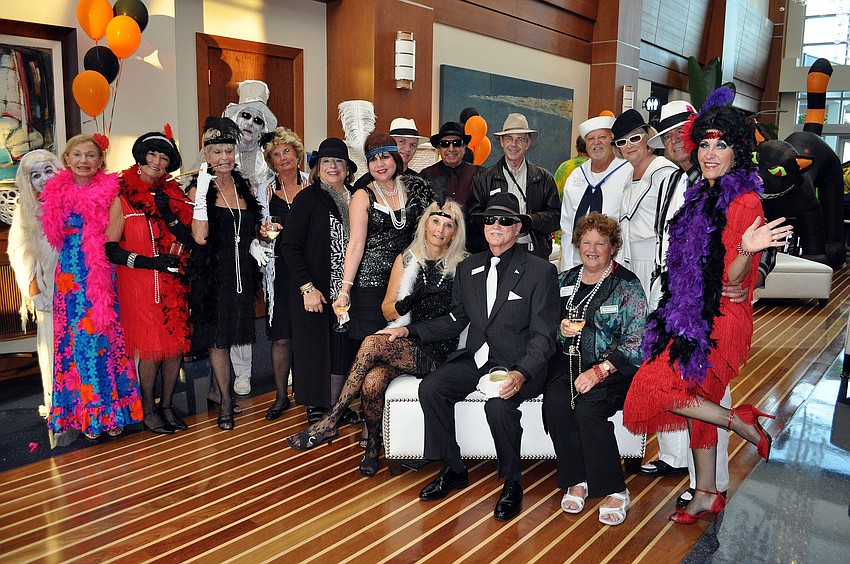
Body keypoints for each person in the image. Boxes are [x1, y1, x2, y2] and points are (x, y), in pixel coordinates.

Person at [622, 89, 793, 524]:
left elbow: (733, 278)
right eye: (705, 143)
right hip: (689, 311)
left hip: (719, 320)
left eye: (721, 144)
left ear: (738, 151)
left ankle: (739, 422)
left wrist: (745, 247)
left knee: (652, 387)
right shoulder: (701, 193)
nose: (710, 153)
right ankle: (706, 493)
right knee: (698, 404)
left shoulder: (745, 200)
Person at [380, 192, 559, 522]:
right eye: (490, 220)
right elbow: (455, 320)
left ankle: (512, 482)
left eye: (505, 220)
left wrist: (521, 373)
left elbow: (544, 336)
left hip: (519, 364)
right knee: (432, 388)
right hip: (477, 359)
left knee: (499, 406)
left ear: (517, 227)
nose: (496, 226)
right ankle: (454, 467)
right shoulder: (469, 268)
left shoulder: (540, 271)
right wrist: (408, 330)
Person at [287, 200, 468, 478]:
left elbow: (458, 321)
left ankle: (331, 419)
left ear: (455, 232)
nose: (440, 230)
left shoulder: (462, 266)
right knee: (372, 382)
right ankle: (372, 447)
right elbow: (387, 309)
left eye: (448, 225)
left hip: (438, 349)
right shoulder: (407, 259)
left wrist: (408, 329)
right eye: (435, 221)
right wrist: (411, 299)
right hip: (405, 342)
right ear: (425, 223)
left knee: (372, 343)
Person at [543, 212, 647, 526]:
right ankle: (578, 480)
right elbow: (546, 326)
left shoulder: (627, 285)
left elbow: (638, 340)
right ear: (577, 245)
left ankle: (615, 488)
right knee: (556, 403)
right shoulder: (565, 280)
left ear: (612, 247)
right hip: (569, 365)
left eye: (600, 243)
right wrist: (560, 328)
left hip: (613, 372)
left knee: (588, 408)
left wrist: (600, 371)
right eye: (586, 242)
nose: (592, 249)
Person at [38, 134, 142, 441]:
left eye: (91, 155)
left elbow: (114, 235)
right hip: (69, 277)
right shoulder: (53, 191)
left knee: (105, 341)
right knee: (75, 344)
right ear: (67, 159)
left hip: (100, 273)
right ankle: (84, 413)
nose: (84, 161)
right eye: (77, 155)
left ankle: (111, 412)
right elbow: (45, 233)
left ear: (100, 161)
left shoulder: (112, 192)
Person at [105, 127, 193, 435]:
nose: (157, 161)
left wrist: (171, 216)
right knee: (152, 348)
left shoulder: (173, 195)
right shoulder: (122, 198)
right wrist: (148, 262)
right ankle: (148, 408)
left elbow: (190, 239)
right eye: (152, 154)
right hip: (138, 285)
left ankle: (167, 405)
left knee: (174, 347)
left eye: (164, 156)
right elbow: (111, 249)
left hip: (173, 284)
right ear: (141, 157)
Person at [188, 117, 263, 431]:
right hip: (213, 276)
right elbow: (200, 236)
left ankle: (217, 390)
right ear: (206, 155)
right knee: (218, 339)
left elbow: (250, 228)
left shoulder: (244, 187)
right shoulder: (198, 188)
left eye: (228, 151)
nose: (224, 158)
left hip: (241, 274)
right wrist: (204, 190)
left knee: (233, 335)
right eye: (216, 151)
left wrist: (259, 239)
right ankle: (227, 401)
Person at [281, 138, 356, 425]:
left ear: (348, 168)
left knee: (341, 346)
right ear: (316, 168)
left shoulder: (356, 197)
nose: (333, 166)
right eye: (326, 161)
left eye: (339, 161)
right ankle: (314, 403)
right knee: (313, 346)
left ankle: (337, 403)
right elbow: (290, 246)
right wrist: (307, 288)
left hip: (346, 290)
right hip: (313, 289)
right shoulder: (308, 198)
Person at [9, 150, 73, 447]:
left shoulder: (74, 200)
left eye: (48, 171)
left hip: (80, 289)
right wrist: (34, 292)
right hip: (49, 290)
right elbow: (21, 254)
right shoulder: (26, 211)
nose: (44, 179)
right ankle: (61, 412)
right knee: (53, 350)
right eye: (36, 175)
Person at [222, 80, 278, 397]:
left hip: (268, 242)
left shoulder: (269, 161)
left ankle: (290, 365)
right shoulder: (215, 155)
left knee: (280, 300)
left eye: (258, 121)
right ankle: (241, 373)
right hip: (230, 246)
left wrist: (265, 238)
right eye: (246, 116)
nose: (250, 125)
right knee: (239, 307)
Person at [259, 127, 308, 420]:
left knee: (308, 335)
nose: (283, 158)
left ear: (297, 154)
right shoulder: (264, 192)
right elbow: (259, 232)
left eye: (286, 151)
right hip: (280, 273)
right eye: (276, 155)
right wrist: (262, 235)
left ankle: (307, 390)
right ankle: (280, 396)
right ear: (271, 162)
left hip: (310, 272)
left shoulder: (314, 186)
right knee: (281, 338)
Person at [468, 113, 560, 260]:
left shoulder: (543, 178)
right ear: (502, 142)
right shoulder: (484, 178)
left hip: (532, 252)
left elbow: (555, 218)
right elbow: (474, 217)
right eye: (509, 138)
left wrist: (530, 220)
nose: (513, 145)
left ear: (527, 144)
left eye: (519, 139)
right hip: (496, 252)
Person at [611, 109, 677, 295]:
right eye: (622, 142)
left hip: (656, 263)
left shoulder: (665, 172)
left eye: (635, 138)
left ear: (647, 138)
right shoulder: (628, 177)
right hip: (628, 261)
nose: (629, 145)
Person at [560, 112, 631, 271]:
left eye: (602, 137)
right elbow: (566, 226)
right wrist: (567, 268)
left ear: (612, 140)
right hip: (578, 263)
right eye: (591, 139)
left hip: (615, 264)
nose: (596, 143)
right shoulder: (576, 176)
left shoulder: (628, 173)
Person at [420, 121, 482, 209]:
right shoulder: (426, 175)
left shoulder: (480, 175)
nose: (451, 149)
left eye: (456, 143)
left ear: (464, 148)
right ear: (439, 149)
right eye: (445, 144)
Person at [353, 117, 426, 189]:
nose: (407, 149)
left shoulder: (419, 182)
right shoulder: (364, 183)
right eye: (401, 141)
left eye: (413, 145)